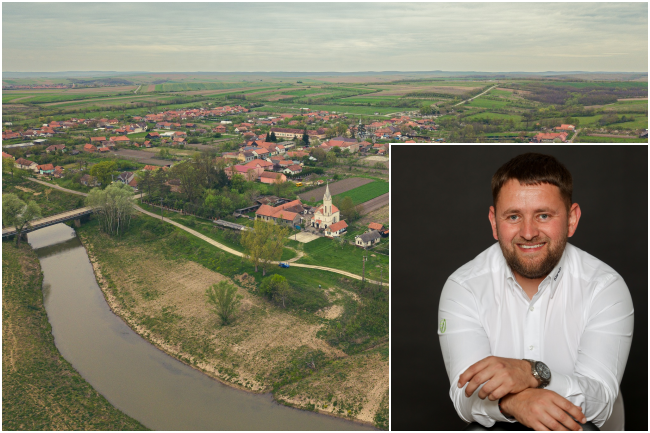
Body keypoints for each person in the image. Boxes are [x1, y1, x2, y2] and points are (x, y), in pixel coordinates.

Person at [437, 153, 634, 431]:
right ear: (494, 222)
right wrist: (514, 402)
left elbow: (600, 401)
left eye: (543, 215)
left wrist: (532, 373)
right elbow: (464, 395)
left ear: (571, 220)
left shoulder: (605, 287)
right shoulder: (463, 287)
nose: (528, 233)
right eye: (513, 216)